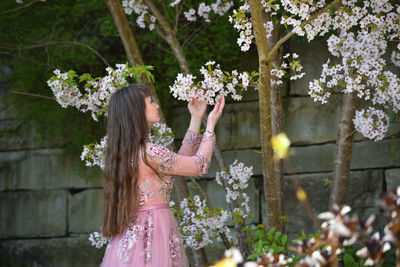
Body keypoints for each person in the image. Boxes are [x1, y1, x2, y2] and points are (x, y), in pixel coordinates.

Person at [100, 84, 225, 266]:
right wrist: (210, 126)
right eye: (151, 102)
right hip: (154, 231)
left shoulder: (127, 152)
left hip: (135, 235)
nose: (157, 106)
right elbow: (199, 166)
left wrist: (196, 118)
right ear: (137, 111)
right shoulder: (148, 152)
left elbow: (179, 162)